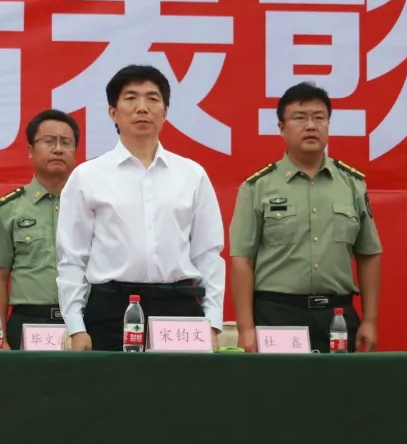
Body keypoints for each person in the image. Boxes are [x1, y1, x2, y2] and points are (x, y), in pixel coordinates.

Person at [57, 64, 225, 351]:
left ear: (165, 112)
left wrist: (211, 322)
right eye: (131, 98)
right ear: (113, 112)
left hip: (178, 308)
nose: (142, 108)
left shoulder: (191, 174)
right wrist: (76, 326)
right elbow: (72, 257)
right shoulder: (88, 176)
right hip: (110, 309)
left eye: (152, 99)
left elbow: (208, 253)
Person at [229, 81, 381, 353]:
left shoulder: (352, 185)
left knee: (338, 382)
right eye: (300, 118)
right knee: (279, 383)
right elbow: (242, 260)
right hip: (276, 315)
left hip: (336, 317)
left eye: (319, 118)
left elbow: (369, 254)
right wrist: (245, 328)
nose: (311, 126)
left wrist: (369, 320)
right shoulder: (257, 187)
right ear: (281, 127)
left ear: (328, 125)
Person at [0, 109, 79, 349]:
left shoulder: (92, 206)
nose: (58, 149)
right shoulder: (9, 209)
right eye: (49, 141)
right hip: (29, 321)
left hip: (83, 323)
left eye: (66, 142)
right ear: (30, 150)